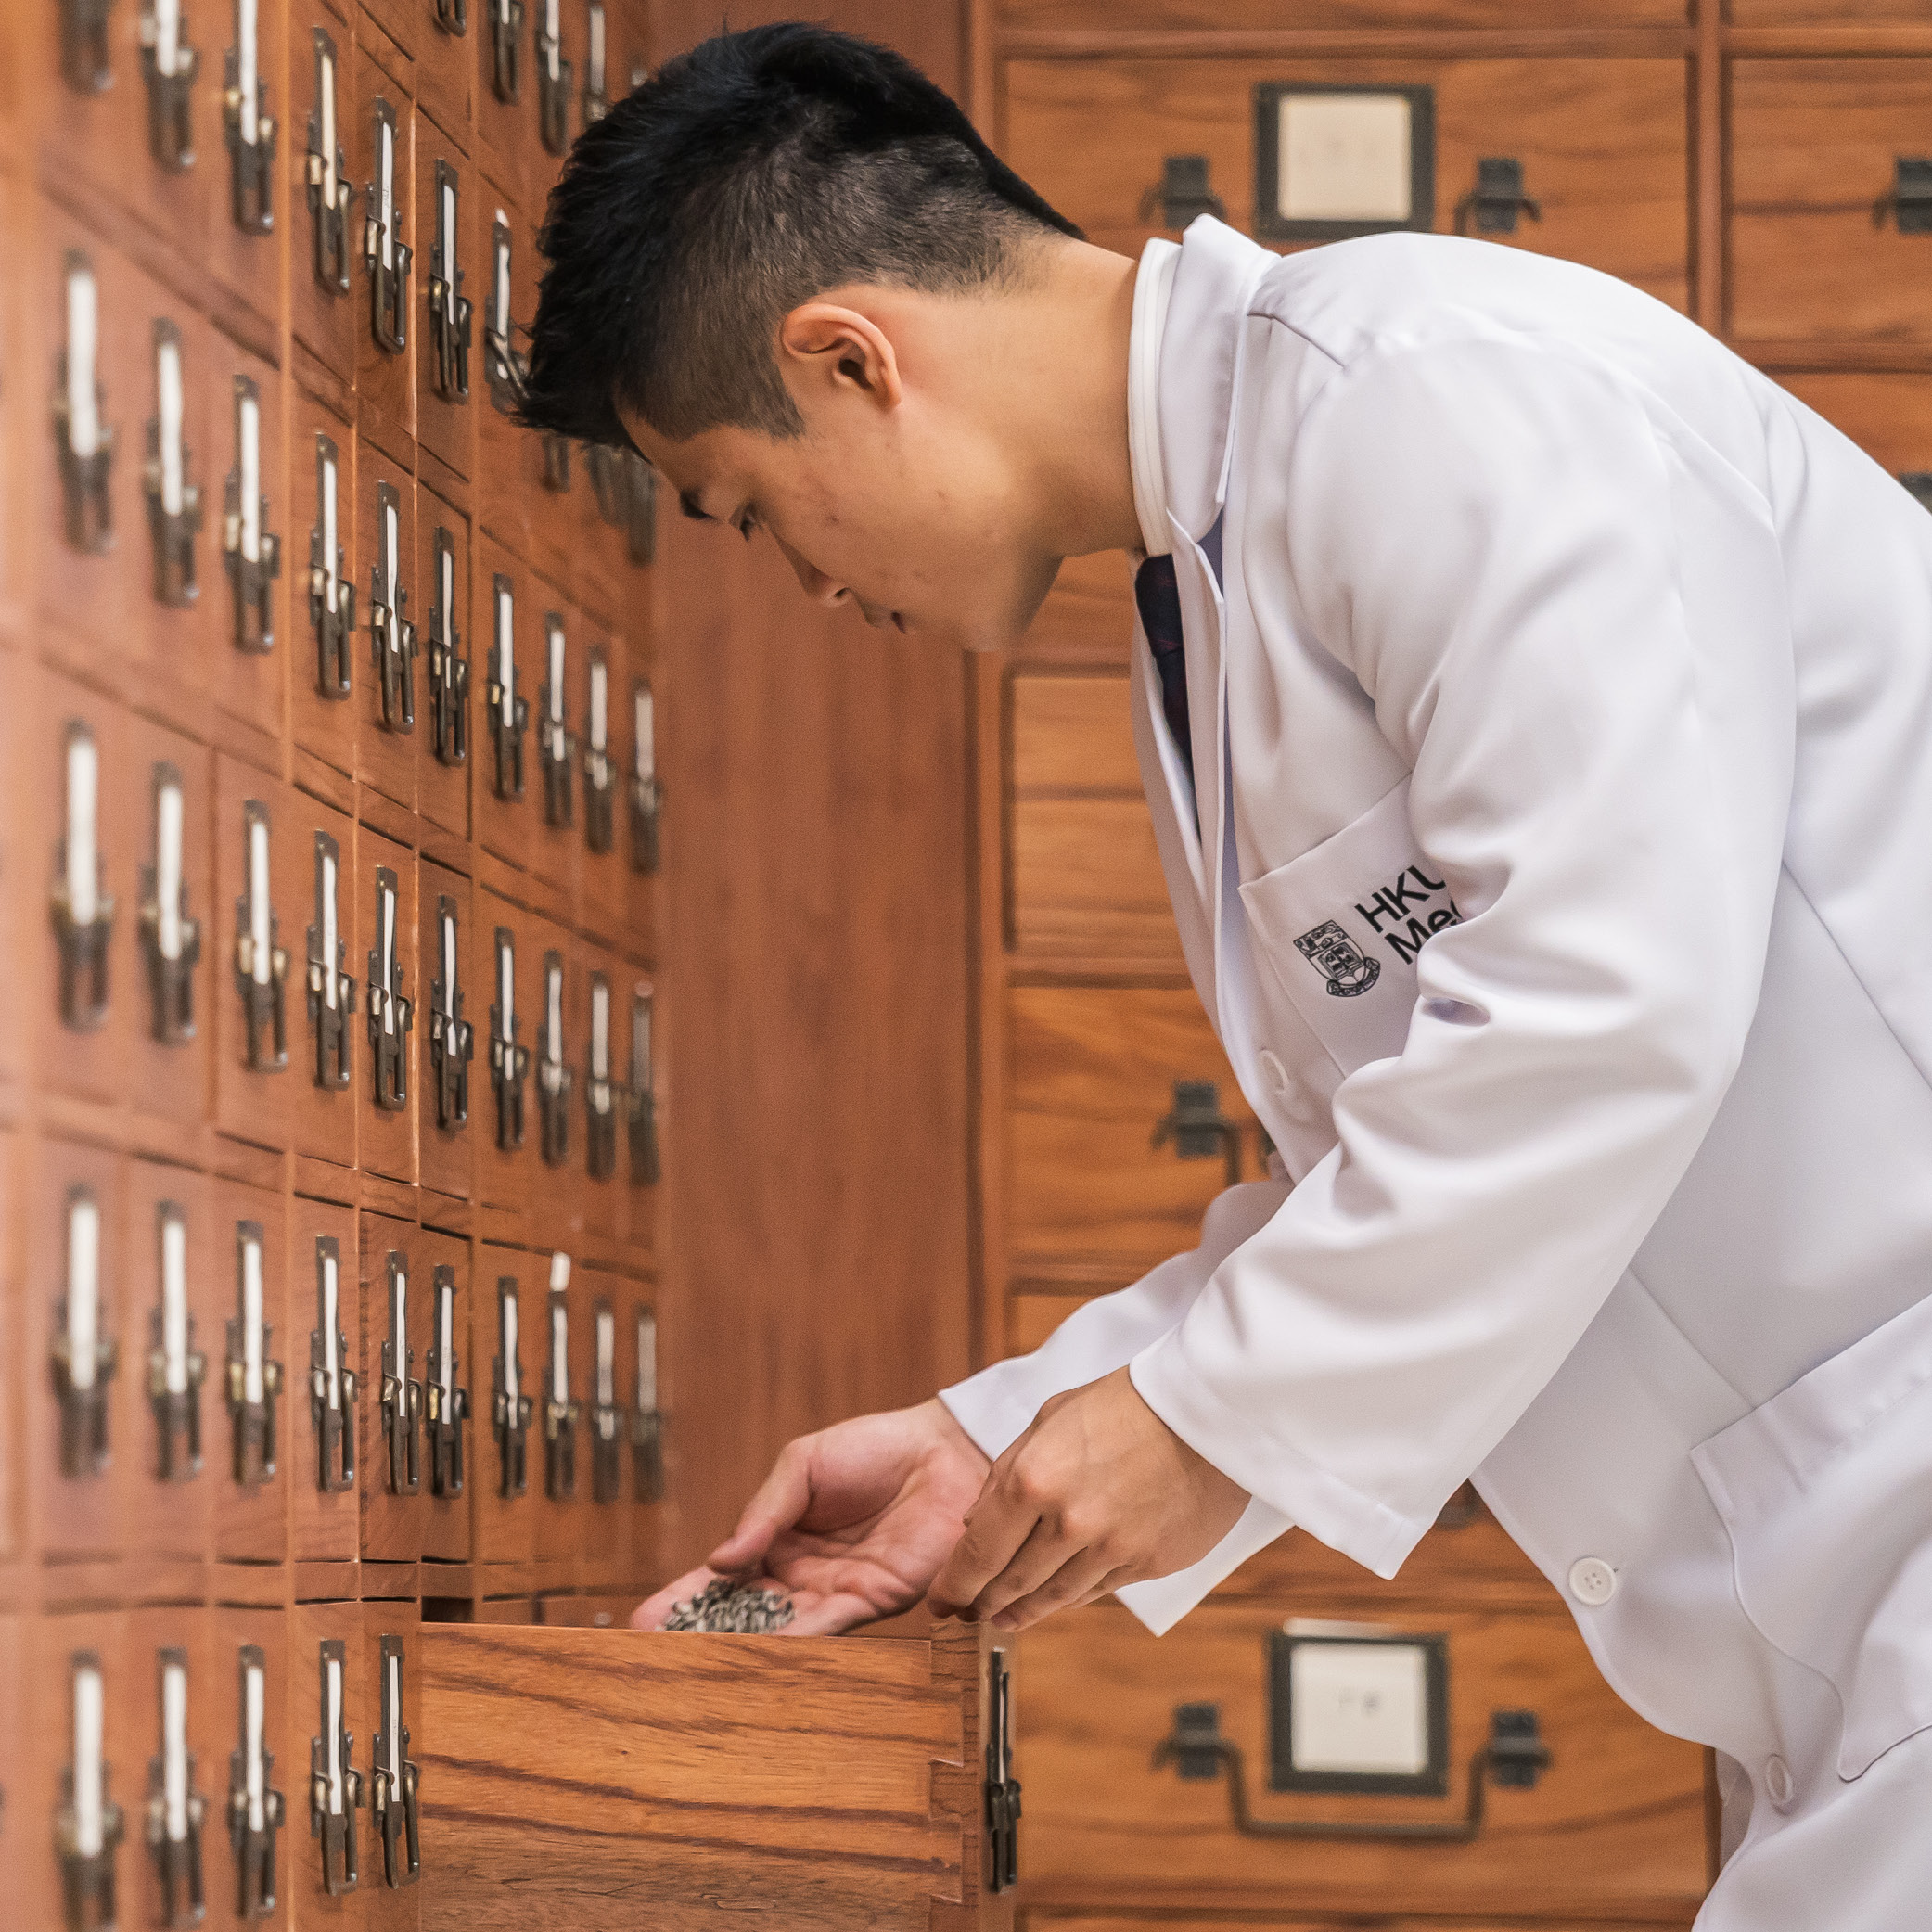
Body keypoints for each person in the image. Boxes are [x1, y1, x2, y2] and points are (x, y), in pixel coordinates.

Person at [520, 24, 1932, 1925]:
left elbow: (1610, 1001)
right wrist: (999, 1445)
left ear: (848, 360)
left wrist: (1194, 1423)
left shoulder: (1436, 391)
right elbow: (1411, 1143)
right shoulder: (1217, 571)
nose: (809, 586)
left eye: (754, 513)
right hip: (1844, 1618)